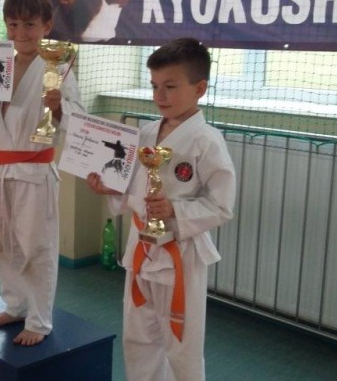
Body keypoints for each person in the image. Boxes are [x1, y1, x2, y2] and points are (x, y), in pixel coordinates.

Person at [86, 37, 236, 380]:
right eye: (154, 86)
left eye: (170, 86)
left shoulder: (207, 141)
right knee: (138, 338)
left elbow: (222, 205)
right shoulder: (146, 133)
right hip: (141, 249)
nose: (159, 95)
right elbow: (134, 188)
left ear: (199, 88)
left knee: (182, 345)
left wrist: (174, 211)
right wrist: (110, 187)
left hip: (180, 254)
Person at [0, 0, 85, 346]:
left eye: (30, 24)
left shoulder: (58, 67)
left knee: (37, 248)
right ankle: (16, 305)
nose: (20, 33)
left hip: (34, 172)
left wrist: (60, 108)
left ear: (47, 25)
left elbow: (79, 122)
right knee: (5, 243)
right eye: (13, 24)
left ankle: (39, 319)